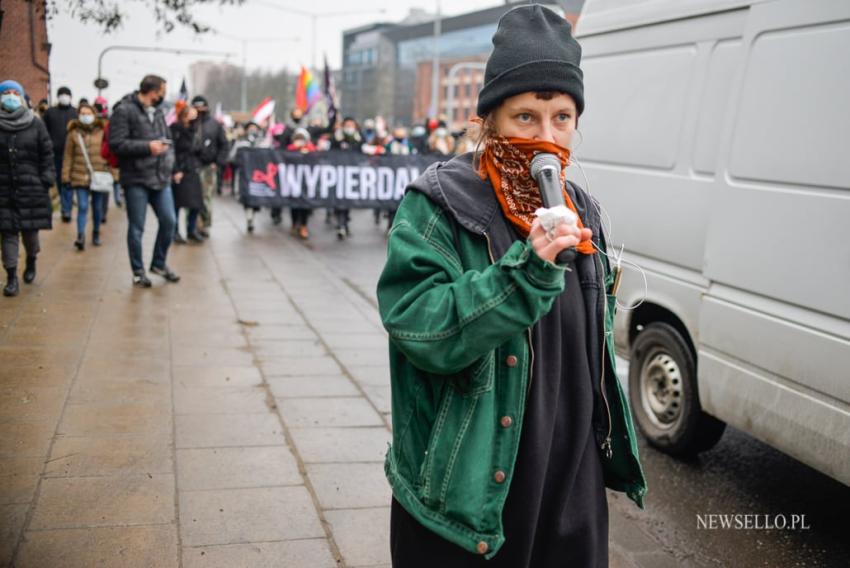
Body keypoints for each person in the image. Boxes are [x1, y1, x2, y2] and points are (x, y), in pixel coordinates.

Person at [377, 6, 647, 567]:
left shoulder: (584, 210)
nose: (546, 138)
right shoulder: (438, 206)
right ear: (489, 119)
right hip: (468, 492)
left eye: (562, 117)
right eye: (525, 116)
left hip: (569, 489)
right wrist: (525, 273)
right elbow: (420, 328)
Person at [109, 74, 179, 287]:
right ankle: (138, 271)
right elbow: (117, 144)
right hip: (135, 179)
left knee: (169, 221)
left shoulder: (158, 112)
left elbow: (166, 138)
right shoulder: (124, 110)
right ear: (152, 91)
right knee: (137, 227)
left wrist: (169, 160)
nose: (163, 97)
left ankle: (158, 262)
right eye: (162, 93)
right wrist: (147, 147)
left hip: (160, 177)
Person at [0, 80, 54, 296]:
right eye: (6, 93)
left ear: (21, 97)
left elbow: (47, 153)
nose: (11, 96)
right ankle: (11, 276)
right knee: (8, 234)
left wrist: (46, 179)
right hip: (4, 190)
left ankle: (31, 259)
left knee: (30, 235)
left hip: (31, 188)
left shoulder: (35, 123)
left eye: (15, 92)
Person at [62, 102, 110, 250]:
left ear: (94, 115)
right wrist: (65, 175)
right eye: (82, 113)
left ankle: (95, 233)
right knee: (82, 206)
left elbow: (109, 153)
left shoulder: (102, 131)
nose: (85, 116)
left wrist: (113, 173)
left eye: (88, 113)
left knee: (97, 207)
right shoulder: (73, 133)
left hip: (98, 175)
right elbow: (68, 156)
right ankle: (80, 236)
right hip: (79, 174)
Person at [190, 95, 228, 237]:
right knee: (191, 198)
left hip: (208, 167)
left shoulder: (214, 124)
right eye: (196, 107)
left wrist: (217, 163)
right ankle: (192, 226)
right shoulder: (189, 123)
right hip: (191, 166)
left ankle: (203, 225)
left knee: (206, 197)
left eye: (201, 107)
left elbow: (224, 145)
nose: (199, 110)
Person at [170, 102, 205, 244]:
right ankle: (175, 231)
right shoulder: (175, 129)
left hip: (192, 169)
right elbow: (171, 151)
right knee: (177, 204)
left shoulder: (195, 129)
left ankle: (191, 230)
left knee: (196, 204)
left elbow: (198, 149)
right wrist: (176, 170)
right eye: (191, 112)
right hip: (179, 170)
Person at [42, 86, 77, 222]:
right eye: (61, 94)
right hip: (54, 153)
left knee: (67, 180)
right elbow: (44, 132)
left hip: (71, 155)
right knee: (59, 180)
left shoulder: (74, 113)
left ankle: (66, 209)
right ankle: (64, 203)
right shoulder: (50, 113)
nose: (64, 96)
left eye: (66, 94)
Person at [329, 116, 362, 239]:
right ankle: (341, 224)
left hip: (352, 174)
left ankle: (345, 223)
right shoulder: (336, 138)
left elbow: (362, 151)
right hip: (338, 173)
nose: (349, 127)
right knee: (339, 199)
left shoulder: (358, 138)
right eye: (347, 125)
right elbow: (330, 152)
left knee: (347, 200)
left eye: (351, 125)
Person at [285, 128, 316, 240]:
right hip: (293, 181)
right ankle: (294, 224)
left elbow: (315, 160)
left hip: (306, 182)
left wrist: (307, 152)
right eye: (297, 138)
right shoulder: (290, 149)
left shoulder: (311, 149)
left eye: (301, 138)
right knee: (293, 205)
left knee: (304, 205)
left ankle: (303, 225)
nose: (299, 140)